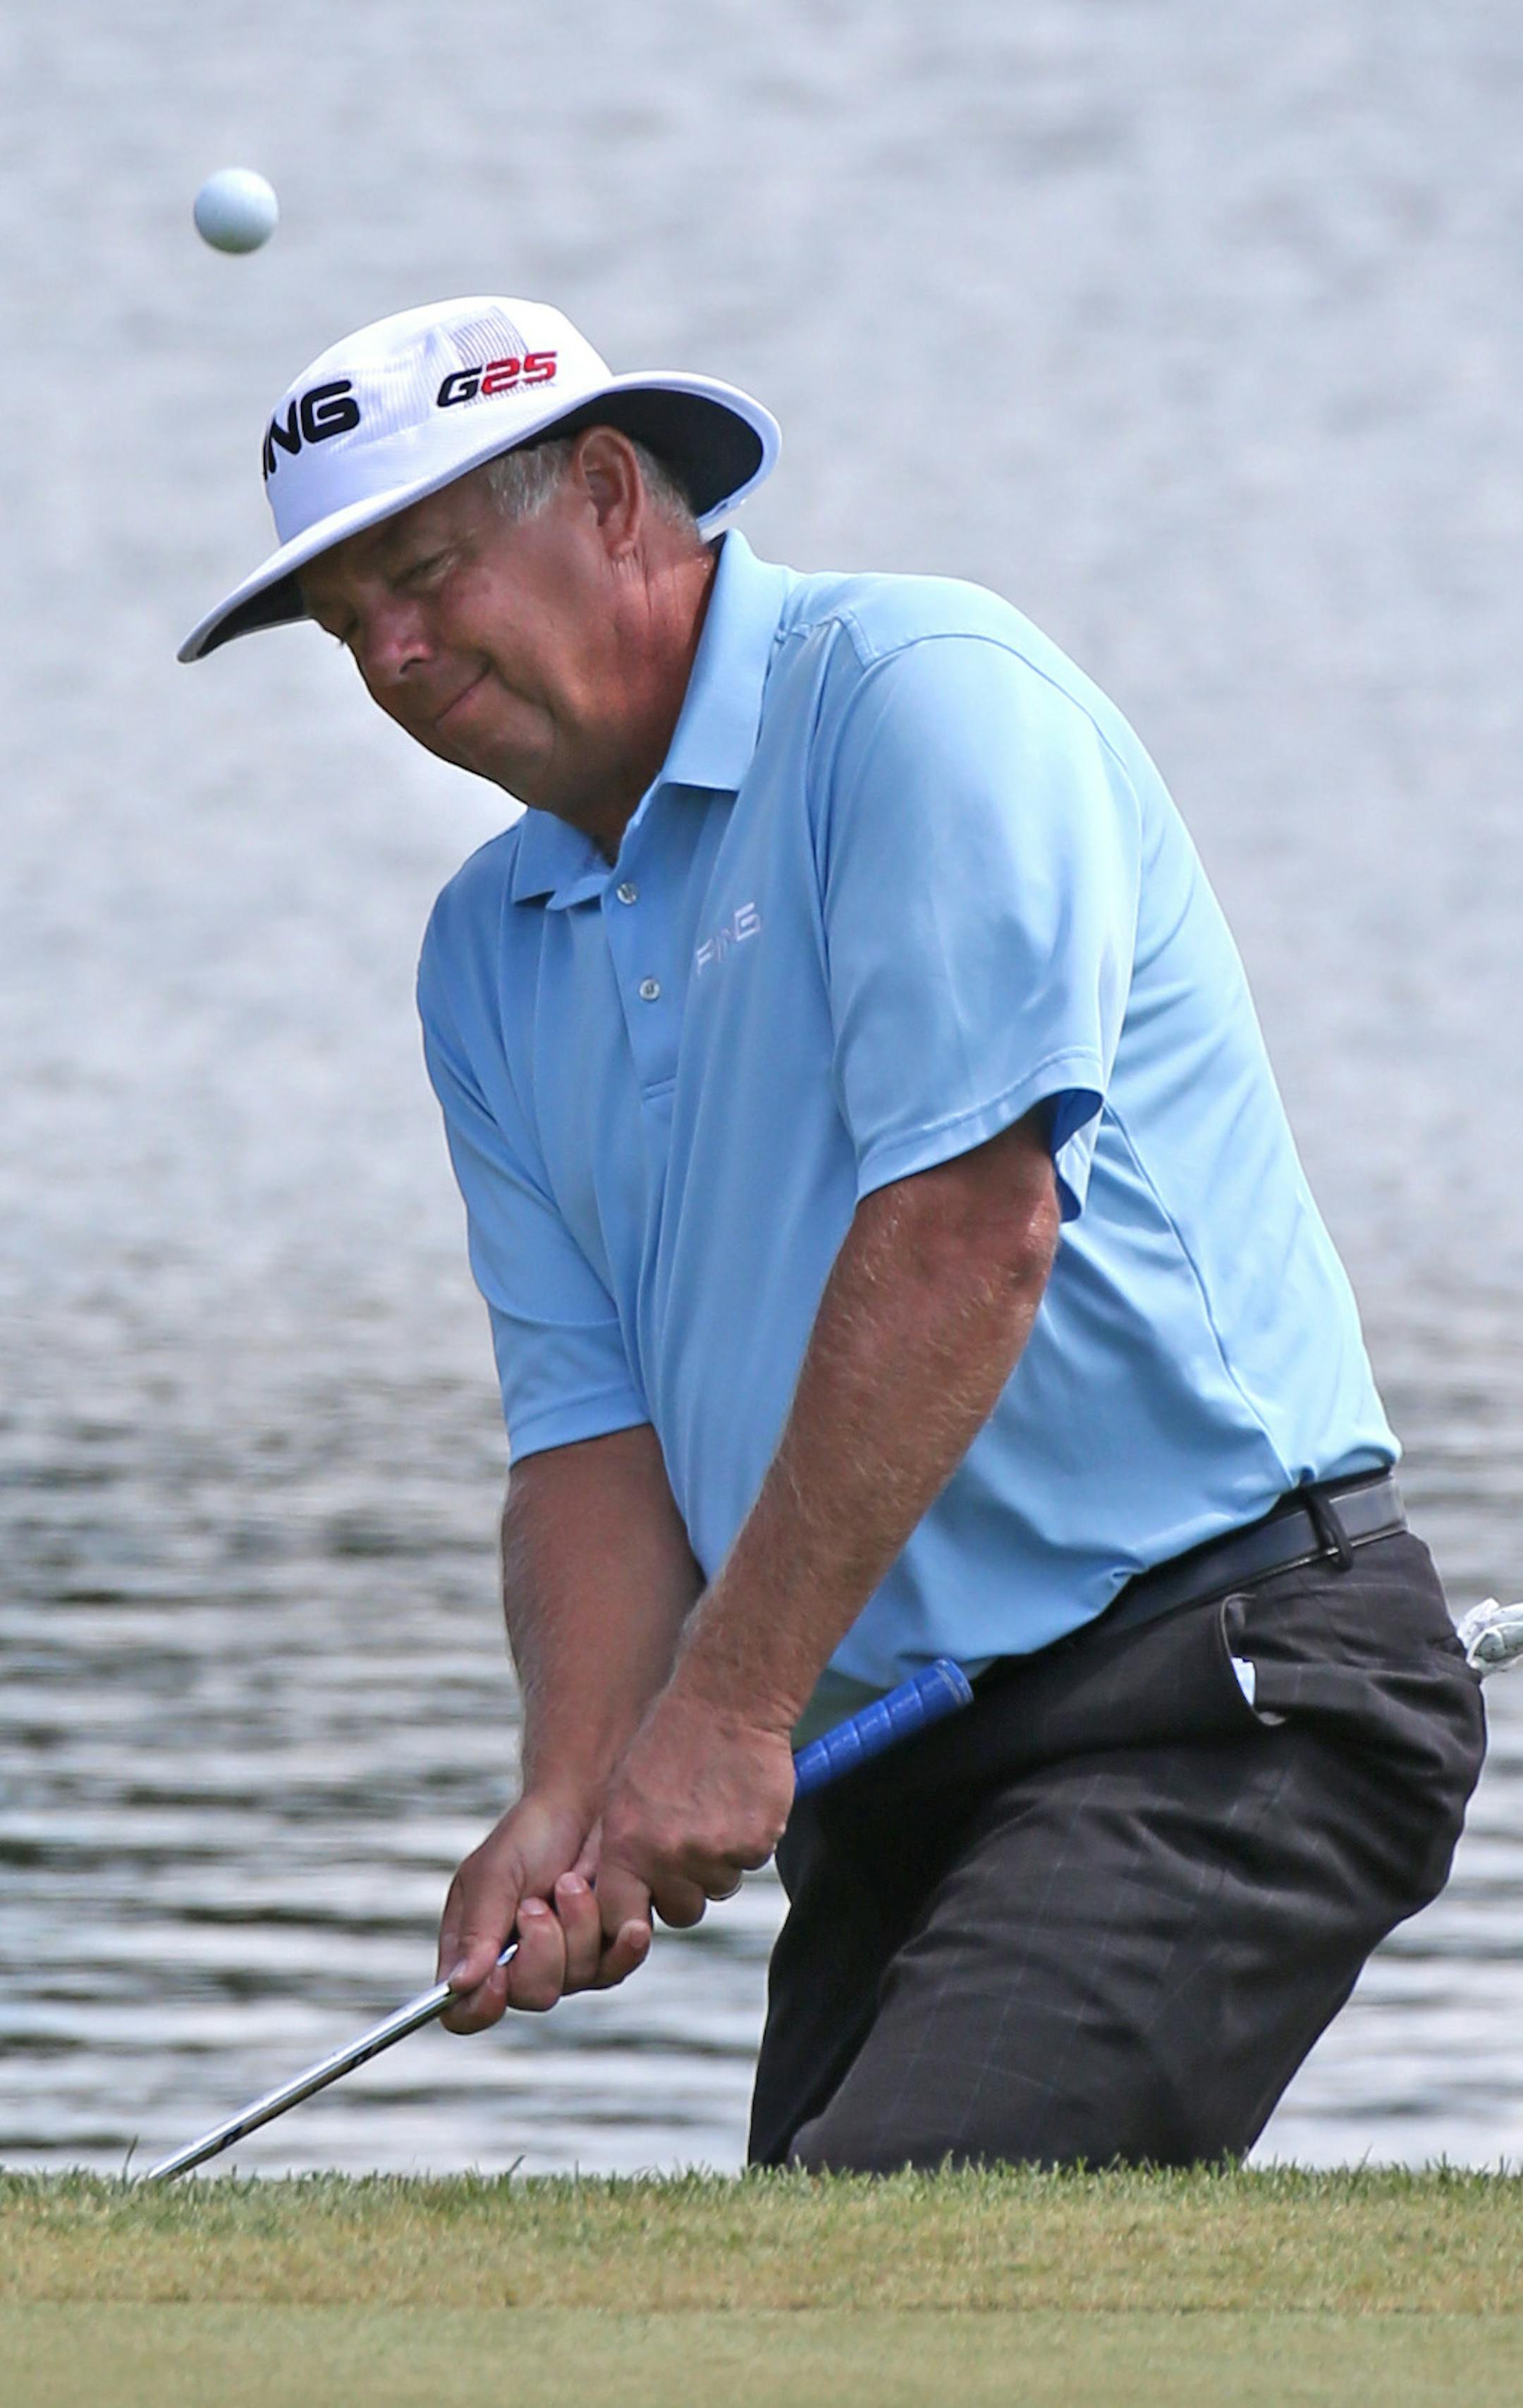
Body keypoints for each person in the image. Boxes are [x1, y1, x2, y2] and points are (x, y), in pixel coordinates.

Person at [181, 294, 1486, 2171]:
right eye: (341, 622)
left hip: (1222, 1687)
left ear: (616, 497)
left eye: (428, 574)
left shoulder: (914, 696)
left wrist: (720, 1712)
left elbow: (974, 1234)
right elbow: (592, 1439)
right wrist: (570, 1789)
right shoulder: (488, 948)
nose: (388, 652)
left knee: (862, 2285)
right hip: (895, 1763)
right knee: (802, 2277)